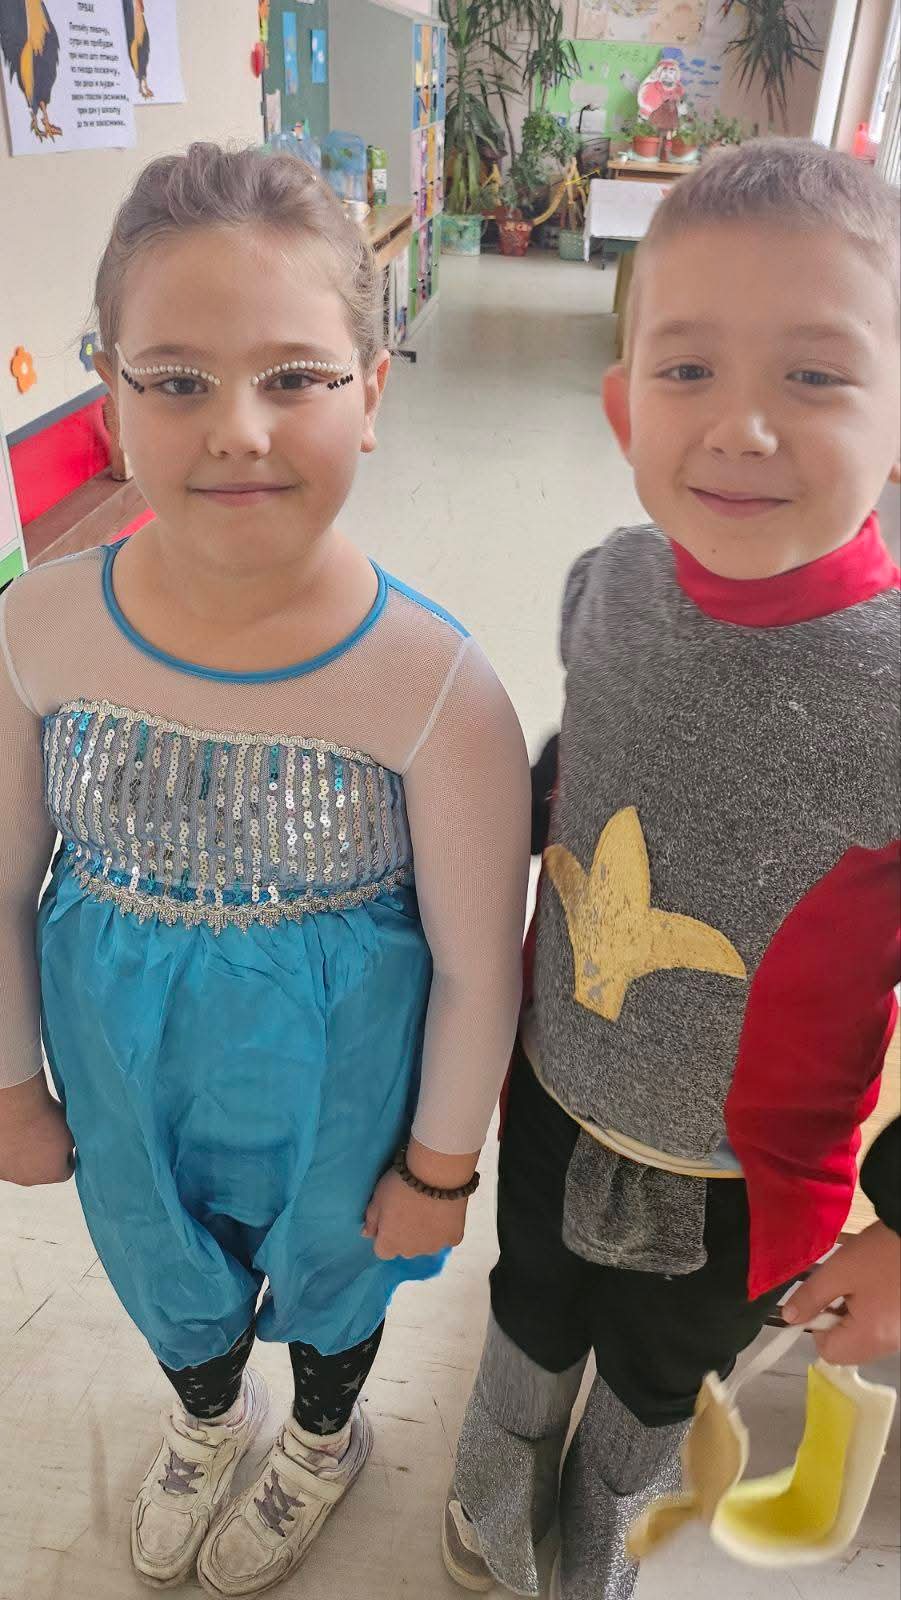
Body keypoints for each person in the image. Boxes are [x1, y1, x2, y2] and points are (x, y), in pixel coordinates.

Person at [0, 144, 530, 1597]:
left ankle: (320, 1433)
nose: (237, 429)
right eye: (177, 380)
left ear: (374, 390)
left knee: (336, 1270)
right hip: (123, 1068)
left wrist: (438, 1168)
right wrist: (12, 1085)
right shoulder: (39, 632)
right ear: (109, 400)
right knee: (157, 1258)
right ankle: (207, 1414)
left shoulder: (434, 683)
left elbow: (481, 964)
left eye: (294, 376)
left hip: (339, 1088)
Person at [443, 139, 901, 1600]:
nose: (741, 429)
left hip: (743, 1173)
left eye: (814, 377)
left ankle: (606, 1534)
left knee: (660, 1374)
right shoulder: (609, 583)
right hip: (554, 1081)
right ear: (622, 406)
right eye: (688, 371)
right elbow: (576, 777)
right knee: (529, 1300)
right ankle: (490, 1484)